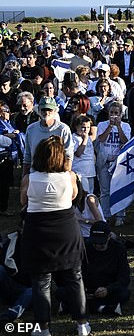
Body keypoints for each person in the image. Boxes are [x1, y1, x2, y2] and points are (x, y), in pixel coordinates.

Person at [19, 136, 91, 336]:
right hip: (66, 230)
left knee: (41, 282)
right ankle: (82, 325)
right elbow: (74, 197)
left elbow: (23, 201)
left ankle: (43, 328)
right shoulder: (70, 177)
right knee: (74, 277)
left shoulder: (28, 179)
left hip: (38, 232)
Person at [57, 222, 130, 316]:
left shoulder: (118, 249)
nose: (97, 246)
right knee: (60, 292)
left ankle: (77, 306)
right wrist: (82, 289)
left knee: (124, 293)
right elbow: (75, 271)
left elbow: (124, 277)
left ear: (109, 237)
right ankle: (101, 308)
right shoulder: (84, 248)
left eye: (101, 243)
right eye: (94, 242)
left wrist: (108, 289)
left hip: (107, 287)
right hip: (87, 287)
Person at [96, 102, 131, 226]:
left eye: (116, 113)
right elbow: (101, 139)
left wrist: (119, 126)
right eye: (111, 113)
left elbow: (126, 141)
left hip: (118, 161)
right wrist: (110, 127)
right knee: (105, 190)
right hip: (105, 160)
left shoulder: (126, 126)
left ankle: (120, 215)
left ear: (121, 114)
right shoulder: (102, 124)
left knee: (118, 188)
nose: (114, 116)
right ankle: (106, 215)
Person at [23, 96, 74, 177]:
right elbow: (27, 156)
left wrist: (65, 178)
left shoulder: (63, 129)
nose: (46, 112)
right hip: (36, 175)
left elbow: (68, 156)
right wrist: (24, 177)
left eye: (49, 110)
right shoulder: (31, 129)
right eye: (43, 109)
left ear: (55, 111)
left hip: (57, 175)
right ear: (39, 111)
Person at [0, 215, 31, 324]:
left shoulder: (41, 246)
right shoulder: (12, 240)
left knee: (31, 291)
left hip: (27, 287)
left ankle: (9, 316)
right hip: (11, 282)